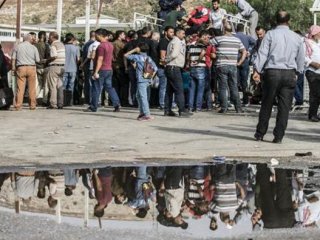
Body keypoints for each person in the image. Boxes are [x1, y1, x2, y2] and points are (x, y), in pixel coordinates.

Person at [253, 11, 305, 143]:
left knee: (267, 103)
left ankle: (260, 133)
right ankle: (279, 136)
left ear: (276, 21)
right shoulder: (296, 37)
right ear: (289, 21)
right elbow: (300, 58)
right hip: (289, 73)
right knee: (284, 107)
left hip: (272, 72)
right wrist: (298, 72)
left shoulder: (270, 34)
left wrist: (257, 70)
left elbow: (263, 53)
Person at [211, 23, 247, 113]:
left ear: (223, 30)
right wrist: (240, 62)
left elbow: (208, 42)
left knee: (222, 87)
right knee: (234, 87)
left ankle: (224, 108)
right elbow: (244, 52)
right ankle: (238, 108)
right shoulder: (237, 40)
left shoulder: (219, 39)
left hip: (221, 65)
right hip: (233, 66)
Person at [86, 28, 120, 112]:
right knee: (110, 87)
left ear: (100, 35)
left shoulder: (101, 46)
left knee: (96, 88)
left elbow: (100, 60)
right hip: (109, 69)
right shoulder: (110, 45)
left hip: (102, 69)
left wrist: (96, 71)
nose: (96, 37)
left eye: (97, 35)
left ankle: (93, 106)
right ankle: (117, 104)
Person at [124, 43, 158, 121]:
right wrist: (150, 76)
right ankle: (142, 113)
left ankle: (147, 115)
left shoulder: (137, 57)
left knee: (143, 97)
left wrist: (133, 50)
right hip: (147, 79)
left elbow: (125, 55)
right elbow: (155, 68)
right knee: (139, 96)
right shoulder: (148, 58)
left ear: (139, 49)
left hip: (141, 80)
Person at [164, 27, 192, 117]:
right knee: (179, 90)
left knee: (170, 90)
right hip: (174, 67)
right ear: (178, 33)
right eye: (183, 33)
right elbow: (175, 54)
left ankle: (167, 110)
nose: (184, 35)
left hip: (171, 67)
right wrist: (167, 59)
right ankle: (182, 110)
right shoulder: (176, 42)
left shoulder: (174, 41)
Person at [11, 34, 40, 110]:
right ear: (30, 39)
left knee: (20, 88)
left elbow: (13, 58)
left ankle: (18, 105)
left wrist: (13, 68)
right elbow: (38, 60)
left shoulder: (18, 47)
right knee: (32, 88)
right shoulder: (34, 47)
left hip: (21, 68)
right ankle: (32, 105)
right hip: (31, 68)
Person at [187, 30, 209, 112]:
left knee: (192, 88)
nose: (206, 39)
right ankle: (198, 107)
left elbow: (188, 55)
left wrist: (189, 63)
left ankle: (190, 107)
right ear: (201, 36)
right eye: (205, 37)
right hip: (200, 67)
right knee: (200, 88)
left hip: (192, 67)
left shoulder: (191, 45)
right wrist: (198, 61)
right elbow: (203, 53)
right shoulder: (203, 45)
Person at [234, 23, 256, 105]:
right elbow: (255, 43)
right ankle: (246, 100)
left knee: (235, 81)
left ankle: (235, 101)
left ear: (236, 28)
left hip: (236, 59)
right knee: (244, 81)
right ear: (243, 29)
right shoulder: (247, 37)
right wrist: (249, 51)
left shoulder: (234, 37)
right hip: (245, 60)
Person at [46, 31, 65, 109]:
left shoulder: (53, 45)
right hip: (62, 67)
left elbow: (54, 56)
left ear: (51, 37)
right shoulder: (62, 44)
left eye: (49, 37)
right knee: (60, 86)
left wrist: (47, 60)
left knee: (52, 86)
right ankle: (60, 103)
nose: (48, 39)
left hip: (54, 66)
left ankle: (53, 104)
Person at [304, 25, 320, 122]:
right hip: (312, 71)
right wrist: (312, 63)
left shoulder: (318, 42)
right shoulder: (306, 43)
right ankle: (312, 114)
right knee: (315, 93)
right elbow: (303, 56)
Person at [158, 26, 175, 110]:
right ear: (165, 32)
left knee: (168, 87)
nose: (172, 34)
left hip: (168, 67)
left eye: (173, 32)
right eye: (171, 32)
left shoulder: (170, 41)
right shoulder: (163, 41)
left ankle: (168, 103)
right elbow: (162, 55)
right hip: (163, 68)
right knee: (163, 87)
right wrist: (165, 65)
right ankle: (163, 104)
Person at [113, 30, 129, 107]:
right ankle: (124, 101)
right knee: (124, 85)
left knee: (116, 85)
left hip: (114, 65)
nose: (124, 36)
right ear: (119, 35)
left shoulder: (113, 43)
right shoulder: (120, 44)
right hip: (121, 65)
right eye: (123, 34)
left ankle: (116, 101)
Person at [63, 33, 80, 106]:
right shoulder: (76, 48)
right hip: (73, 68)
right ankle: (70, 102)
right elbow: (78, 59)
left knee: (63, 86)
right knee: (71, 86)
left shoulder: (63, 47)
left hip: (64, 68)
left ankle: (63, 101)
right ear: (72, 39)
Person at [35, 31, 50, 105]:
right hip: (45, 67)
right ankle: (45, 100)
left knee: (38, 85)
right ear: (44, 37)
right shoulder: (46, 45)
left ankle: (34, 99)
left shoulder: (35, 45)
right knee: (45, 85)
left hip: (37, 67)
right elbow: (48, 56)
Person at [81, 31, 96, 104]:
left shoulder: (86, 44)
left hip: (87, 66)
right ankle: (90, 100)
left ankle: (87, 99)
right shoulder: (92, 44)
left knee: (87, 83)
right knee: (91, 84)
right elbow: (89, 56)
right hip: (91, 66)